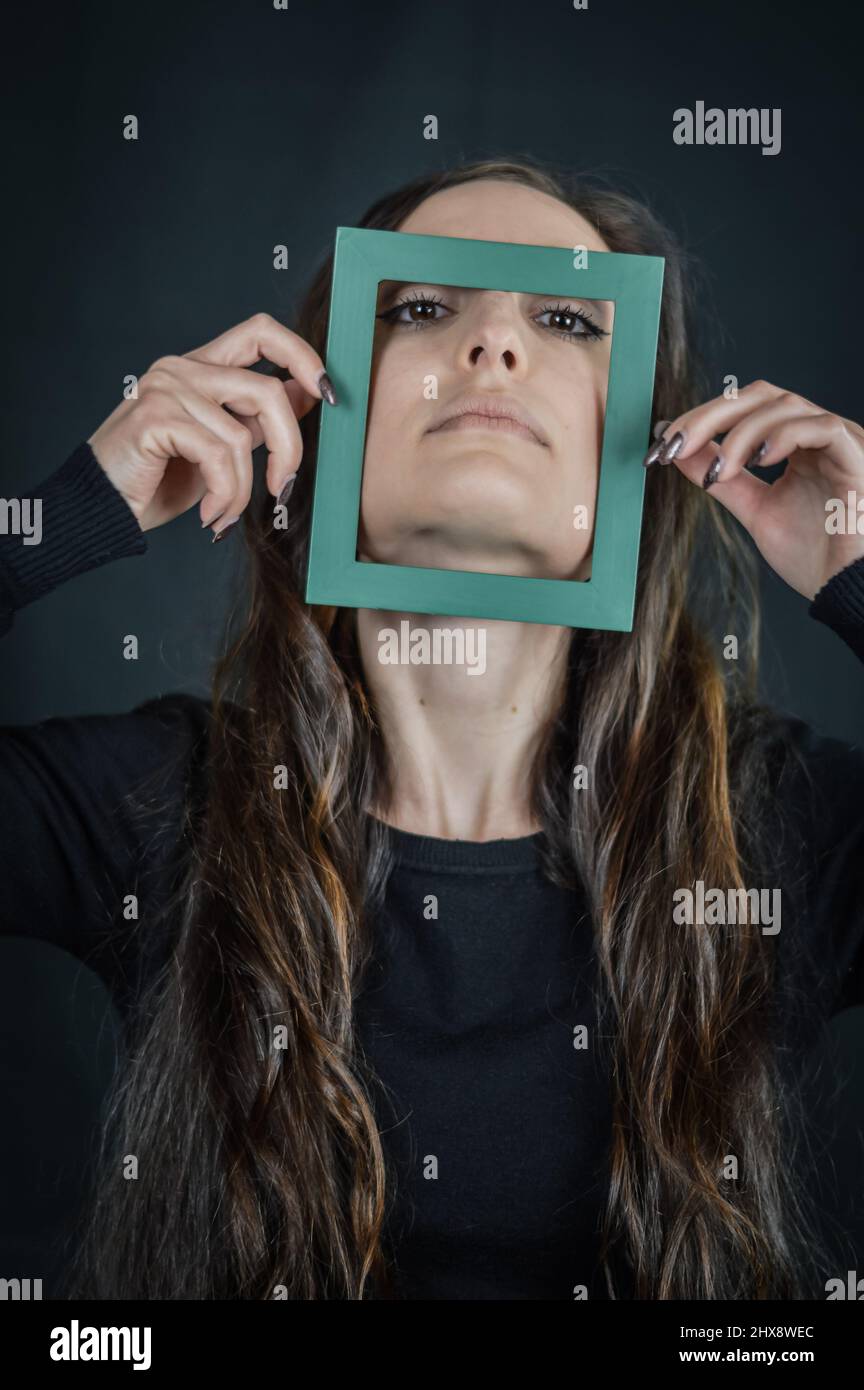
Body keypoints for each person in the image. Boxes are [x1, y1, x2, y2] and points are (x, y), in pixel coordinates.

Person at [1, 157, 863, 1301]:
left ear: (648, 451)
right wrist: (63, 514)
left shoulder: (778, 826)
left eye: (563, 317)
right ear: (309, 415)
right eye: (420, 306)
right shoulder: (162, 803)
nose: (495, 345)